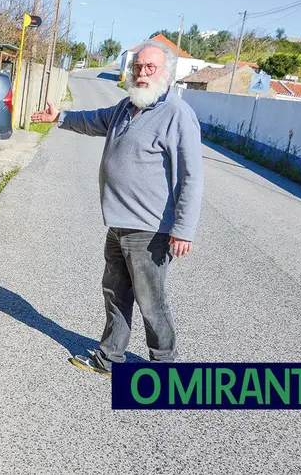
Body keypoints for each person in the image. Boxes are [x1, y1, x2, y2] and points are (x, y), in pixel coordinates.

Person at [31, 41, 205, 376]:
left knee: (150, 301)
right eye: (138, 67)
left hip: (151, 229)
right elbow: (95, 120)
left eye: (150, 68)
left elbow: (191, 175)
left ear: (166, 73)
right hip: (118, 223)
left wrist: (184, 229)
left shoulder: (177, 115)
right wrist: (60, 117)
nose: (142, 73)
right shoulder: (127, 106)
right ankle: (109, 358)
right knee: (115, 293)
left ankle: (165, 365)